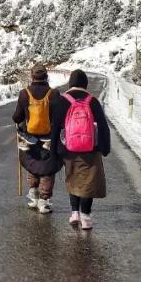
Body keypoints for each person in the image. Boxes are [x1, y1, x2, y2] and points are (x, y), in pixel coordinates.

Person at [51, 69, 110, 230]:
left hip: (68, 149)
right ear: (85, 84)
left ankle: (74, 213)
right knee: (88, 182)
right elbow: (103, 127)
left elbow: (55, 127)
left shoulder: (63, 101)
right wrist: (105, 147)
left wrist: (54, 149)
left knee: (73, 179)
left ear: (70, 83)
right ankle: (85, 216)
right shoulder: (92, 101)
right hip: (91, 149)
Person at [12, 64, 64, 213]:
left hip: (30, 138)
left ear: (32, 76)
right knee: (47, 168)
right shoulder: (54, 94)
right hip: (49, 138)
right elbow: (59, 117)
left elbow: (17, 117)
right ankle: (44, 201)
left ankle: (34, 195)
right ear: (46, 76)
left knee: (33, 164)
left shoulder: (24, 94)